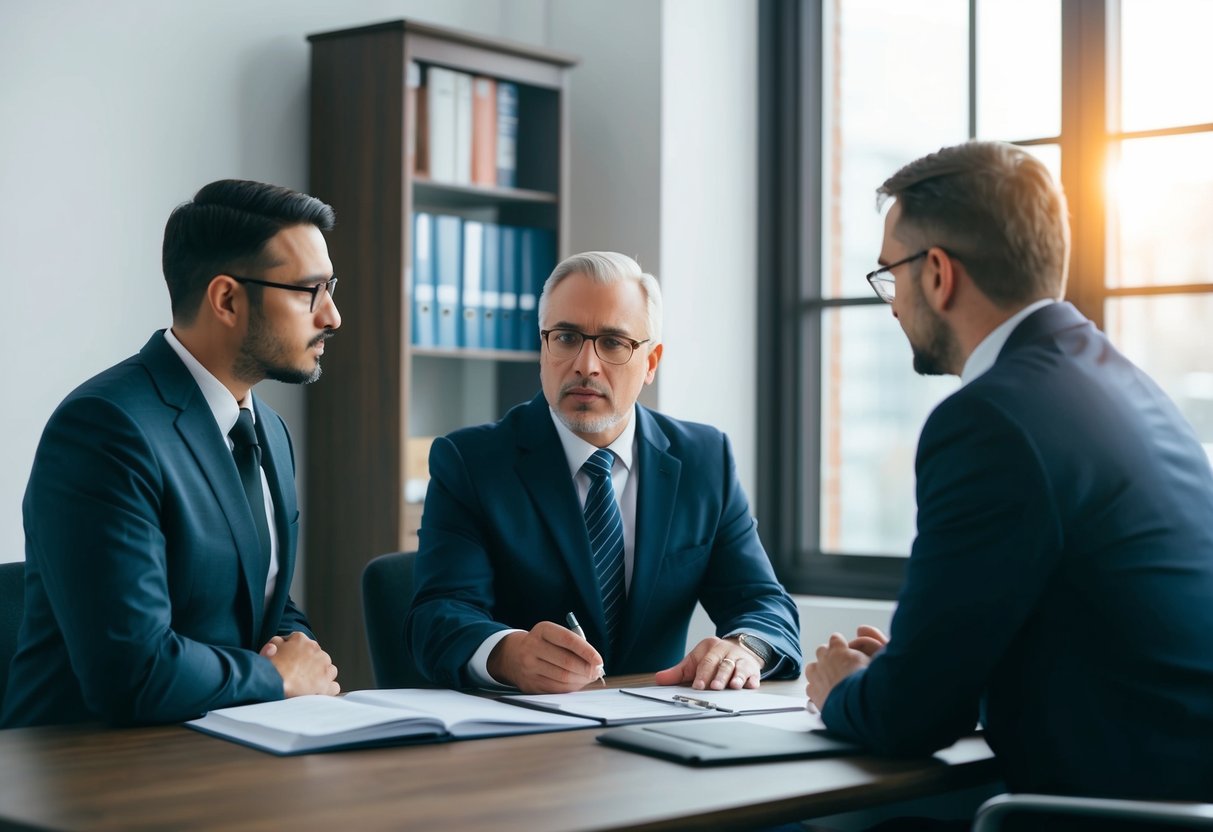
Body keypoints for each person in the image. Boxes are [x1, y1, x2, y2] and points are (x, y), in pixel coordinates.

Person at [805, 141, 1213, 802]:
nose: (889, 303)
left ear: (937, 272)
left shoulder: (990, 421)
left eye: (890, 275)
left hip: (1102, 817)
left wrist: (842, 691)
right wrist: (905, 674)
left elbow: (908, 721)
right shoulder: (1128, 387)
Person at [3, 179, 343, 727]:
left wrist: (301, 654)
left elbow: (266, 604)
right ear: (227, 299)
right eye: (309, 291)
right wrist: (280, 678)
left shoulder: (271, 432)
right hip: (86, 773)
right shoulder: (104, 429)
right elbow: (131, 670)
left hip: (230, 747)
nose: (332, 316)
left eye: (331, 287)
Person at [405, 251, 801, 693]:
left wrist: (745, 647)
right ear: (543, 347)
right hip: (524, 733)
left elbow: (764, 603)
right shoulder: (471, 461)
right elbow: (437, 616)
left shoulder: (704, 459)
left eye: (613, 342)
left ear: (650, 363)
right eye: (567, 337)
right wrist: (505, 652)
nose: (585, 365)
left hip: (658, 728)